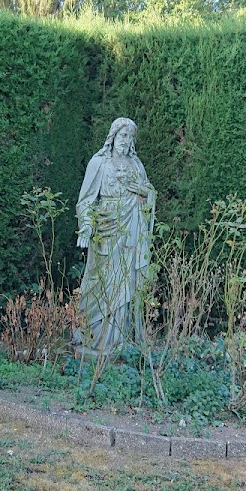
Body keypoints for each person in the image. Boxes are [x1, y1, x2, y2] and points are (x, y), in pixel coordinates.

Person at [74, 117, 156, 354]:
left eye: (130, 137)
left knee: (127, 282)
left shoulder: (137, 165)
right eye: (122, 135)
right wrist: (86, 226)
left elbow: (149, 193)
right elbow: (86, 200)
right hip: (106, 230)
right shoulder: (99, 163)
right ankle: (95, 334)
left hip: (133, 229)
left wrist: (143, 192)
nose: (126, 141)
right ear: (113, 136)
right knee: (100, 280)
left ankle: (121, 340)